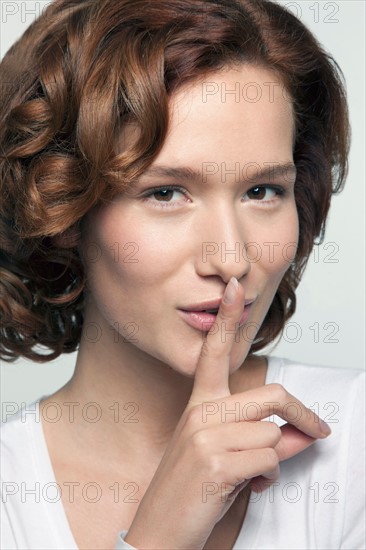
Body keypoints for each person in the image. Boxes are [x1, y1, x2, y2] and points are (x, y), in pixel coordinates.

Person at [0, 0, 364, 549]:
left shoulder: (352, 443)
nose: (232, 258)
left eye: (262, 191)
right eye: (166, 192)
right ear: (65, 212)